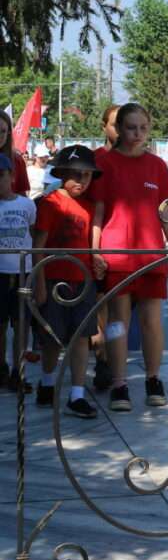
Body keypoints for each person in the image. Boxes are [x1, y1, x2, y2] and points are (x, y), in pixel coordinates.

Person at [88, 103, 168, 412]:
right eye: (131, 127)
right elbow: (99, 212)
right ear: (119, 128)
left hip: (151, 256)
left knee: (152, 322)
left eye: (143, 128)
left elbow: (166, 210)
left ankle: (153, 380)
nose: (137, 134)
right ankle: (120, 384)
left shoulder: (156, 165)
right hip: (117, 255)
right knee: (118, 322)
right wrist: (95, 250)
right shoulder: (106, 163)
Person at [31, 145, 101, 418]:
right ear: (61, 173)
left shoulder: (90, 206)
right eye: (75, 174)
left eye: (87, 175)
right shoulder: (50, 203)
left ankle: (77, 394)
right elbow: (39, 245)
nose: (81, 181)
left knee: (81, 337)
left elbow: (91, 243)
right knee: (51, 337)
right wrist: (38, 284)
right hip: (53, 278)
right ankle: (47, 384)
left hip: (81, 282)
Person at [89, 104, 119, 393]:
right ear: (104, 126)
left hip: (125, 249)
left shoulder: (141, 160)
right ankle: (102, 357)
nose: (120, 129)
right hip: (97, 243)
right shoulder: (95, 159)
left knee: (120, 312)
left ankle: (111, 355)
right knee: (101, 307)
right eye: (114, 123)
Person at [0, 153, 35, 392]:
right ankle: (1, 368)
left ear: (11, 176)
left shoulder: (26, 204)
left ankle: (17, 371)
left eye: (1, 176)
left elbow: (33, 231)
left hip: (23, 272)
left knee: (21, 324)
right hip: (0, 274)